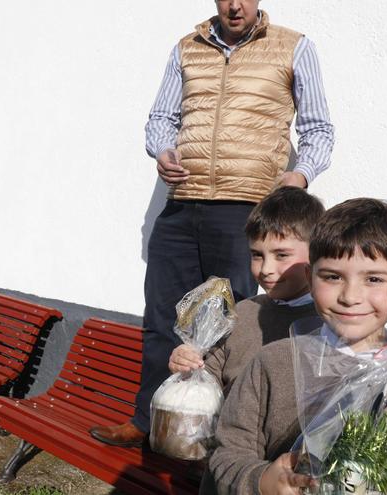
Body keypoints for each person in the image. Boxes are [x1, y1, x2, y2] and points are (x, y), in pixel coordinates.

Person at [91, 0, 335, 447]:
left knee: (236, 327)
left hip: (246, 209)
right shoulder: (186, 47)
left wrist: (299, 176)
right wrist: (163, 150)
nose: (235, 5)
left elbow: (319, 128)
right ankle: (150, 423)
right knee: (164, 317)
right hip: (182, 205)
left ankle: (225, 438)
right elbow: (161, 118)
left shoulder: (293, 47)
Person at [207, 198, 387, 494]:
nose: (350, 296)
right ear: (310, 277)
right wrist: (262, 481)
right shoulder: (274, 362)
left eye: (374, 279)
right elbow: (226, 453)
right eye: (332, 276)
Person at [167, 187, 323, 396]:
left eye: (282, 255)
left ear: (315, 254)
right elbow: (210, 378)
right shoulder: (241, 313)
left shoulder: (326, 324)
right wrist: (187, 365)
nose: (266, 269)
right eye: (257, 255)